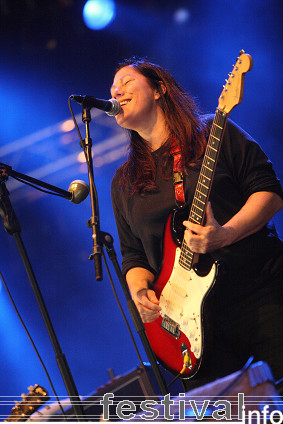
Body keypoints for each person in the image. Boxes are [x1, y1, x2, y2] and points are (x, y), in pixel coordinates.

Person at [110, 57, 283, 389]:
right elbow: (133, 255)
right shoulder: (124, 181)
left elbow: (269, 192)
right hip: (191, 328)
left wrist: (226, 234)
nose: (117, 90)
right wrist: (140, 292)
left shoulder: (212, 132)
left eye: (127, 82)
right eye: (112, 87)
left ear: (160, 89)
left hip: (259, 293)